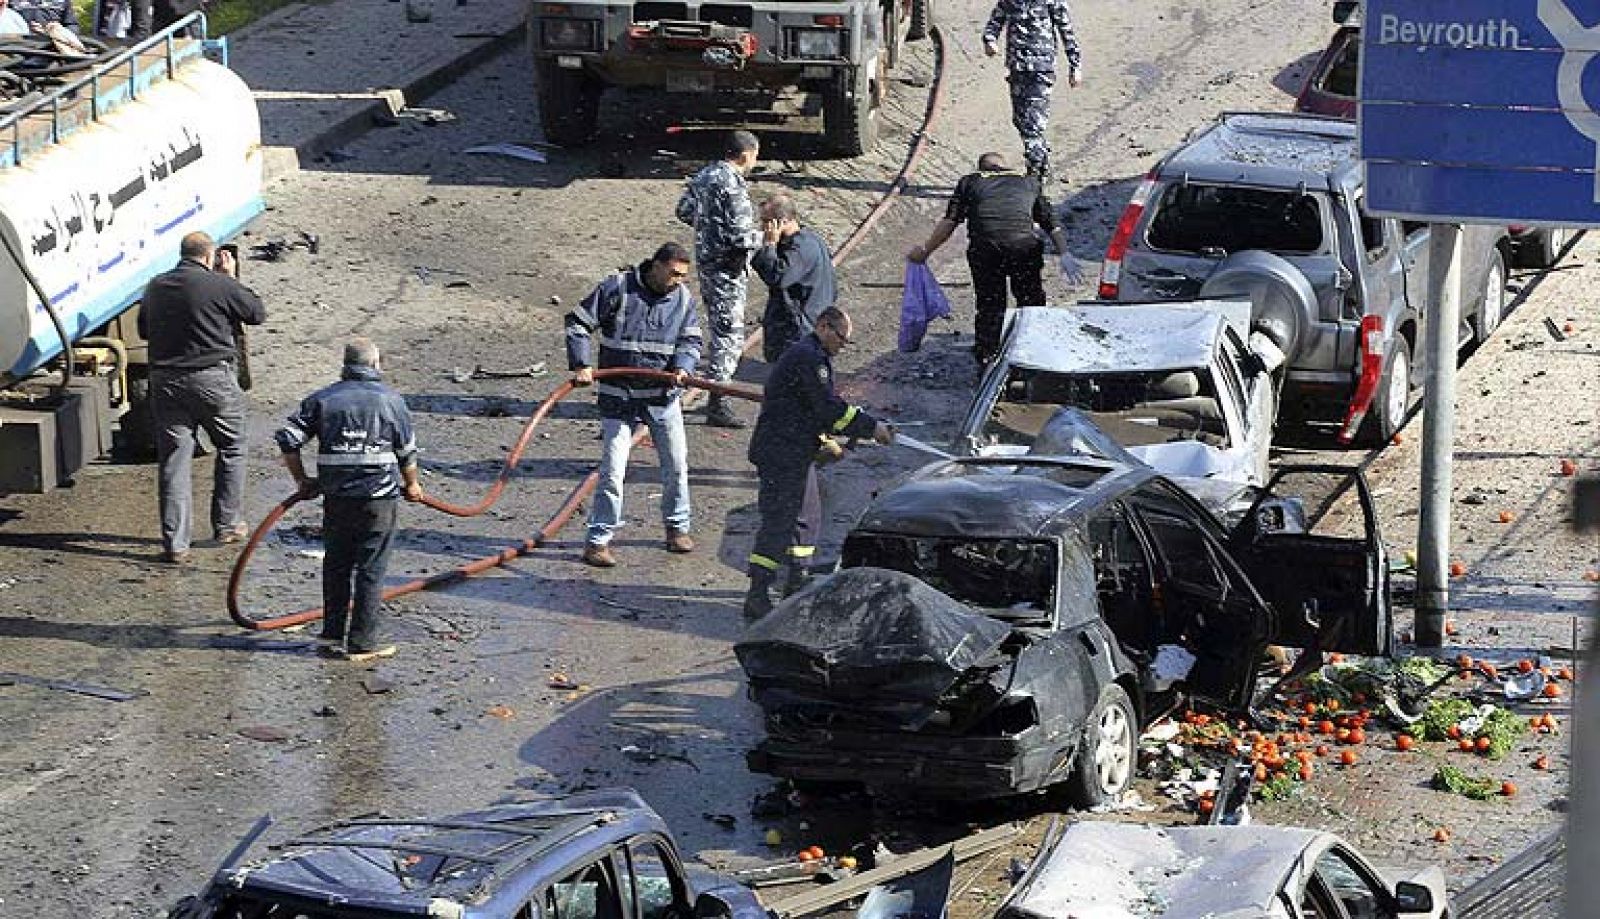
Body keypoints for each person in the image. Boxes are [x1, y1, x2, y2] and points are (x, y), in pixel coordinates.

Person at [275, 339, 421, 662]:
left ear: (345, 365)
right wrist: (412, 485)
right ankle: (362, 643)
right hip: (378, 498)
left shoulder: (323, 400)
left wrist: (302, 481)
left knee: (337, 564)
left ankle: (331, 635)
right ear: (376, 365)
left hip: (337, 498)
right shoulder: (392, 402)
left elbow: (288, 438)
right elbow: (406, 452)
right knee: (371, 567)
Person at [745, 307, 892, 619]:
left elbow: (807, 409)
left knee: (801, 518)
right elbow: (827, 408)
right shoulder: (809, 359)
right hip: (784, 454)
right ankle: (770, 591)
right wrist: (871, 427)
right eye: (841, 338)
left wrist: (826, 439)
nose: (842, 346)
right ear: (824, 327)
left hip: (788, 450)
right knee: (788, 520)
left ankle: (785, 586)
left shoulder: (809, 355)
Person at [567, 242, 704, 568]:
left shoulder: (682, 300)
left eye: (683, 276)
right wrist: (581, 364)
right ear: (655, 266)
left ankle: (677, 528)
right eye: (673, 274)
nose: (678, 281)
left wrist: (684, 367)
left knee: (676, 466)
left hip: (661, 398)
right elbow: (578, 323)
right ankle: (598, 541)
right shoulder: (617, 288)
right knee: (613, 471)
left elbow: (692, 340)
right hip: (620, 399)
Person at [137, 231, 265, 563]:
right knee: (233, 446)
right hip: (212, 380)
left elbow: (143, 331)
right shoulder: (220, 285)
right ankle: (226, 524)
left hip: (165, 381)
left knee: (174, 461)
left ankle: (176, 544)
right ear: (209, 257)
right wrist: (231, 277)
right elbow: (256, 313)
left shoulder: (155, 287)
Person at [907, 152, 1083, 364]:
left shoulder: (969, 183)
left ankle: (987, 355)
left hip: (985, 251)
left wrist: (925, 251)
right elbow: (1050, 222)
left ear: (980, 169)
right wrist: (1064, 252)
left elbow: (950, 222)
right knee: (1031, 300)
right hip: (1024, 249)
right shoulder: (1028, 182)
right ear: (1005, 166)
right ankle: (1036, 349)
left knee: (990, 305)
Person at [675, 130, 761, 428]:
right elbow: (741, 236)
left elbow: (683, 210)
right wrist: (767, 238)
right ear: (745, 155)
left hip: (708, 263)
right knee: (729, 336)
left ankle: (715, 396)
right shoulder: (732, 185)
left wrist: (708, 232)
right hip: (728, 267)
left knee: (717, 324)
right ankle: (718, 399)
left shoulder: (705, 176)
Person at [982, 0, 1082, 179]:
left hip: (1041, 69)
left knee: (1033, 124)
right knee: (1020, 120)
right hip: (1017, 68)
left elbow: (1066, 30)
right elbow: (996, 20)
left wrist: (1075, 66)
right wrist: (990, 40)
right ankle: (1040, 160)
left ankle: (1035, 172)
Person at [753, 193, 837, 363]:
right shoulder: (808, 241)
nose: (762, 228)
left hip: (798, 331)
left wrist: (769, 246)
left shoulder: (801, 248)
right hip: (805, 324)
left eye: (766, 222)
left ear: (782, 222)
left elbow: (777, 277)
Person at [9, 0, 75, 30]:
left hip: (51, 47)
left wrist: (57, 30)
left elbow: (72, 24)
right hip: (18, 45)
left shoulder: (63, 1)